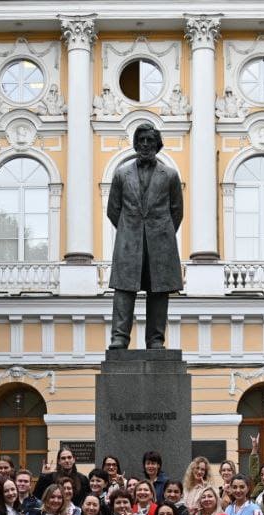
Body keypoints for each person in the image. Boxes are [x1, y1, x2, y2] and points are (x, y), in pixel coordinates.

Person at [106, 122, 183, 350]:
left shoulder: (170, 175)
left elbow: (176, 211)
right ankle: (119, 337)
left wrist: (162, 231)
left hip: (161, 241)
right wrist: (130, 230)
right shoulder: (121, 174)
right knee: (124, 289)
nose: (145, 144)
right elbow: (113, 210)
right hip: (129, 241)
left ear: (157, 144)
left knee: (158, 291)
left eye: (150, 140)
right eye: (141, 140)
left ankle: (156, 339)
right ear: (136, 144)